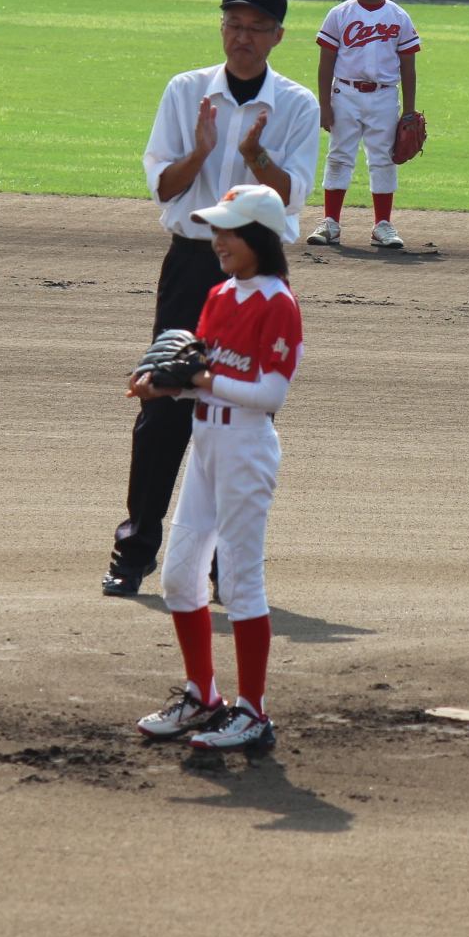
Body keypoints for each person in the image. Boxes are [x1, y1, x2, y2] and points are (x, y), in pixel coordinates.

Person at [101, 0, 319, 599]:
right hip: (192, 263)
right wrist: (200, 152)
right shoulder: (186, 90)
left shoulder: (297, 104)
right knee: (163, 403)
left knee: (242, 415)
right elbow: (163, 187)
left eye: (256, 28)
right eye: (233, 24)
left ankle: (227, 565)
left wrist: (254, 156)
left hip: (257, 269)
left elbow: (291, 197)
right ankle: (134, 552)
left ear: (278, 36)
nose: (242, 37)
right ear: (222, 28)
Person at [131, 184, 304, 752]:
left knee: (240, 581)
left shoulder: (278, 303)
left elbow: (270, 393)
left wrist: (201, 379)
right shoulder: (219, 295)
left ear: (259, 237)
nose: (218, 241)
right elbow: (201, 377)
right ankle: (202, 696)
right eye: (217, 230)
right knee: (180, 575)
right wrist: (165, 387)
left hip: (246, 449)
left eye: (230, 231)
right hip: (206, 442)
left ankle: (253, 713)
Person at [306, 0, 421, 250]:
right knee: (339, 156)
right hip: (345, 93)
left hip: (384, 96)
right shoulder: (339, 14)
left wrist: (409, 112)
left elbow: (408, 67)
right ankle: (330, 223)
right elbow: (325, 63)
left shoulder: (398, 16)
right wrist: (324, 105)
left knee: (383, 159)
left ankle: (382, 226)